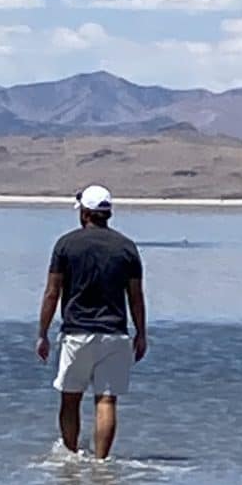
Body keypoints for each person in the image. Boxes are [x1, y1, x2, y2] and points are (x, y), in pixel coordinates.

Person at [36, 183, 147, 457]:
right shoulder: (127, 247)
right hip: (115, 334)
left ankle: (71, 456)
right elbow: (135, 295)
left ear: (85, 213)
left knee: (70, 397)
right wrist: (141, 333)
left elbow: (52, 292)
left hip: (77, 333)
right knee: (107, 400)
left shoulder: (66, 245)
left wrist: (42, 333)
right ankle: (101, 463)